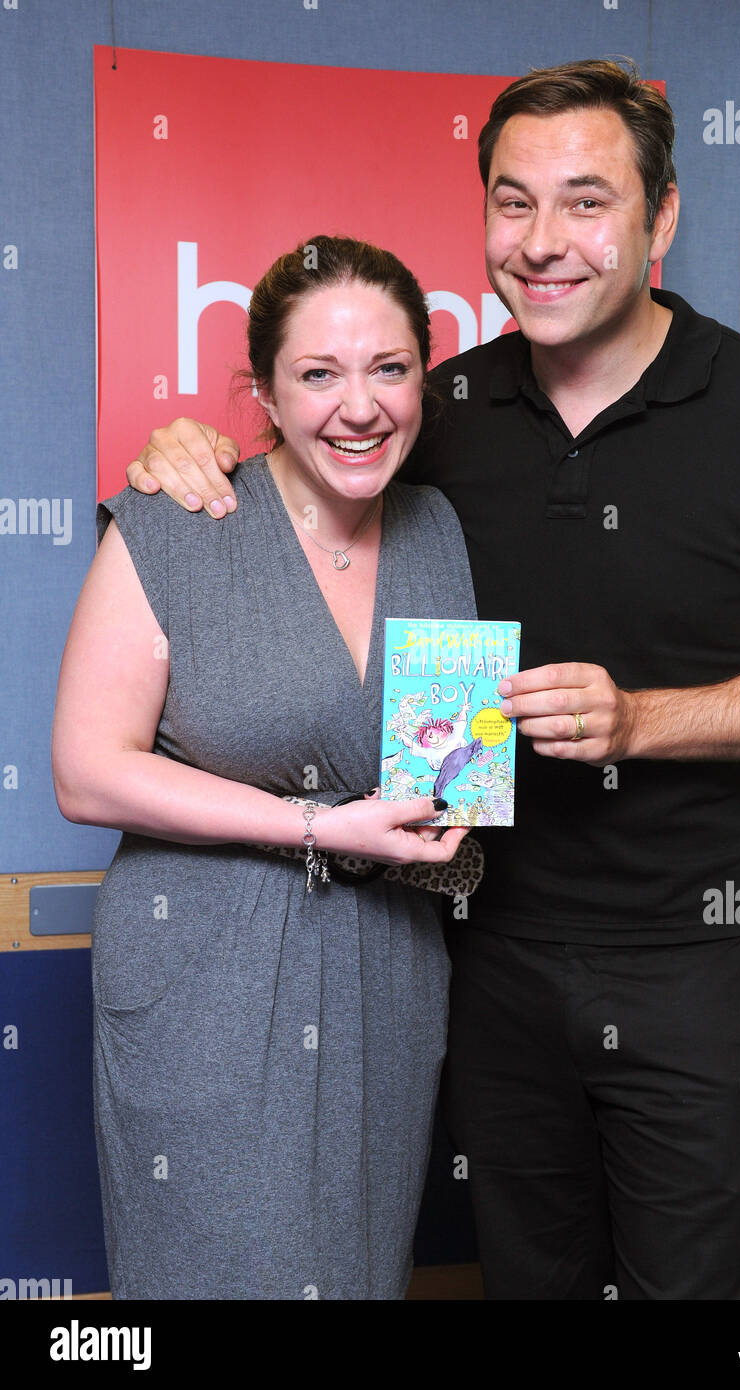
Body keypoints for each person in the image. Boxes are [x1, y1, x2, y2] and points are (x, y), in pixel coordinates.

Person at [123, 60, 740, 1300]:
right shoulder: (446, 409)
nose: (542, 243)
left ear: (662, 216)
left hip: (692, 969)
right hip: (481, 966)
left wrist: (640, 719)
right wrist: (193, 443)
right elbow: (311, 449)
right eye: (511, 202)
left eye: (585, 202)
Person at [52, 235, 478, 1300]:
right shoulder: (174, 521)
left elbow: (448, 766)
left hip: (389, 971)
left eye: (388, 368)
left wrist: (455, 821)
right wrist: (317, 827)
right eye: (318, 374)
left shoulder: (437, 528)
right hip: (207, 978)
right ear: (265, 392)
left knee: (356, 1270)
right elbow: (83, 772)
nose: (360, 405)